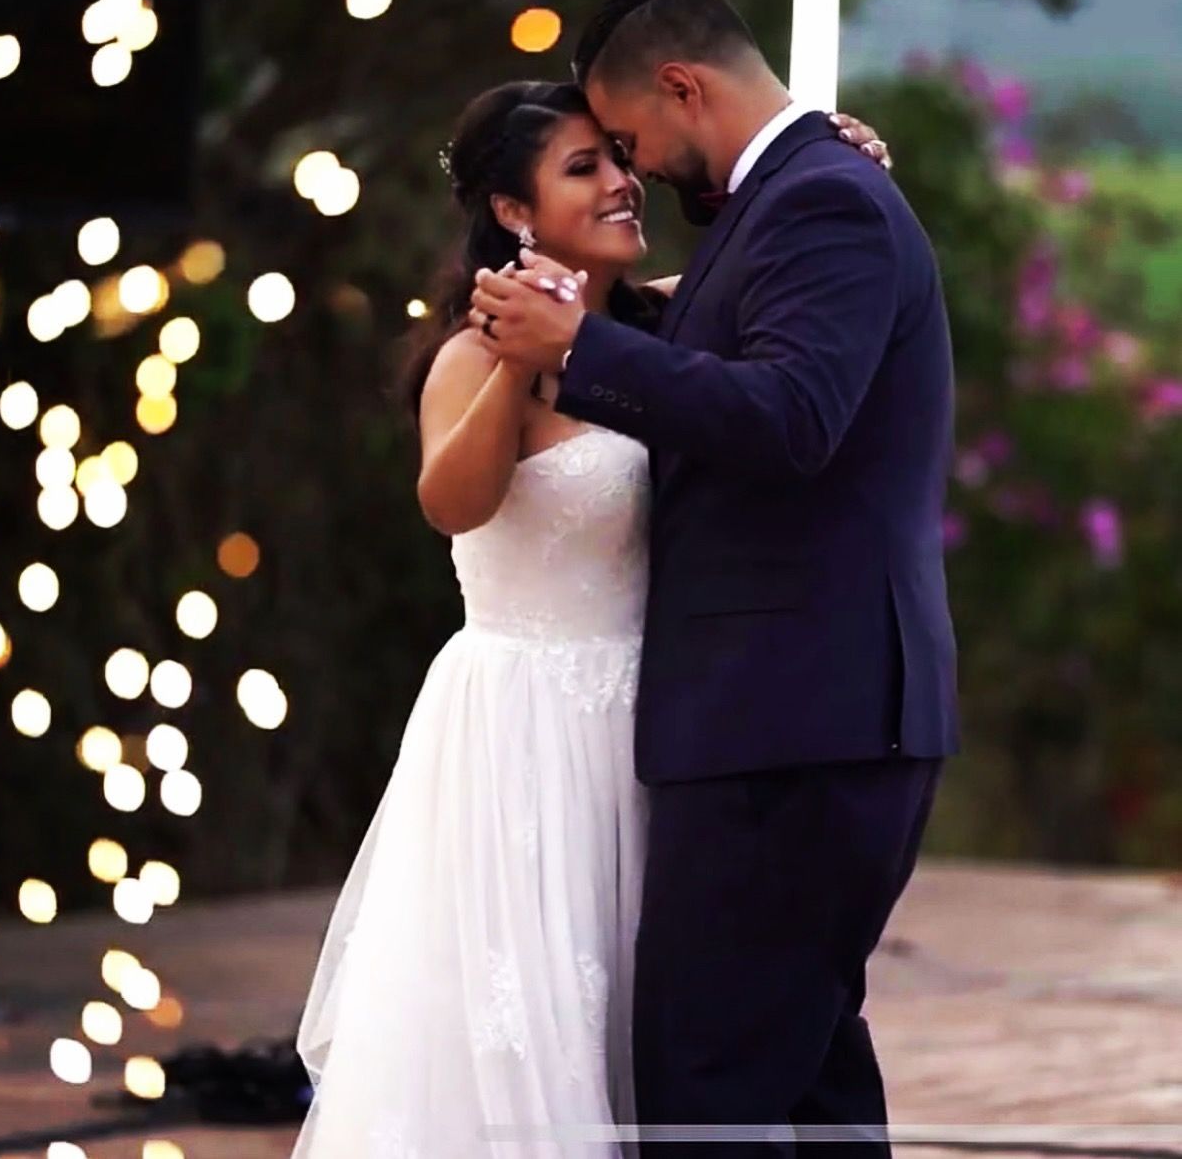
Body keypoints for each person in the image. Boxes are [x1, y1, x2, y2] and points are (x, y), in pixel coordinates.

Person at [291, 69, 892, 1155]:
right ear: (513, 213)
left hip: (656, 726)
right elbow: (451, 504)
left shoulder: (660, 326)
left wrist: (817, 154)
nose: (622, 181)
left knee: (659, 1027)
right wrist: (521, 366)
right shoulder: (472, 356)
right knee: (530, 1040)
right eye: (586, 167)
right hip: (520, 737)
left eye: (620, 156)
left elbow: (769, 278)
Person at [469, 0, 958, 1157]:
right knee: (801, 1077)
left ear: (683, 86)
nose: (635, 171)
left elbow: (792, 417)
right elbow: (711, 349)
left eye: (630, 138)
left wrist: (578, 343)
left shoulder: (818, 202)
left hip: (794, 718)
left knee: (704, 1084)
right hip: (799, 716)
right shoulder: (788, 200)